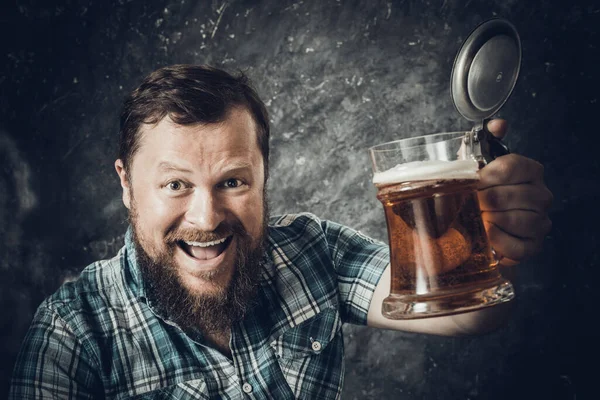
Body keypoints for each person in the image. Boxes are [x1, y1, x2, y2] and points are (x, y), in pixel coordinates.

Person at [9, 64, 552, 399]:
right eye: (175, 185)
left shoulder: (311, 251)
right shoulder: (71, 334)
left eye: (233, 181)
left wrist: (486, 239)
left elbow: (468, 316)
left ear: (265, 177)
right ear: (127, 185)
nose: (206, 218)